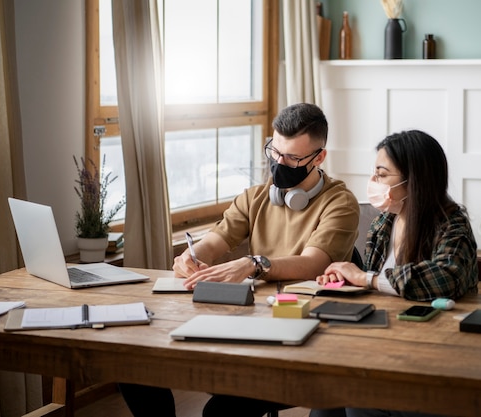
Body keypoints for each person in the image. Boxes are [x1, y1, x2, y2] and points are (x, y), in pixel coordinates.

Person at [118, 102, 360, 417]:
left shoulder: (341, 202)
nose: (279, 162)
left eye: (292, 158)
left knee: (221, 411)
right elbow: (215, 241)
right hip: (252, 323)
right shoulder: (255, 197)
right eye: (274, 151)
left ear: (319, 158)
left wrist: (253, 264)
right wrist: (190, 258)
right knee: (134, 369)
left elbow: (313, 263)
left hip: (308, 335)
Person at [310, 130, 479, 417]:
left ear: (414, 181)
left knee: (356, 400)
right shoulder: (383, 225)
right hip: (384, 342)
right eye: (374, 173)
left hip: (435, 355)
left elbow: (445, 277)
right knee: (326, 400)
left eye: (382, 174)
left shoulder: (453, 225)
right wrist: (347, 283)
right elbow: (377, 287)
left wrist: (366, 278)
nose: (373, 182)